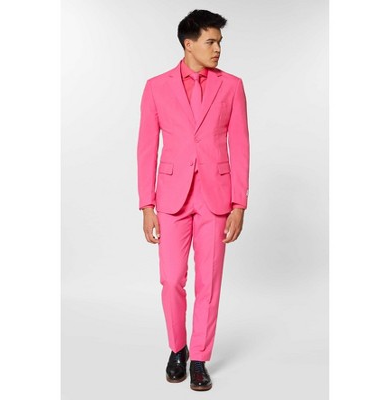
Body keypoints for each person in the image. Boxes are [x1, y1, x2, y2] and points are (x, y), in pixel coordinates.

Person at [137, 9, 250, 391]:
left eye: (219, 42)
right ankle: (177, 348)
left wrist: (239, 204)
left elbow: (241, 146)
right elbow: (146, 148)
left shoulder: (231, 86)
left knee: (209, 282)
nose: (218, 49)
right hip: (171, 198)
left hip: (216, 199)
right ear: (189, 44)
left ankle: (199, 357)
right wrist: (147, 205)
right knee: (171, 279)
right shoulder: (156, 87)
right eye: (210, 41)